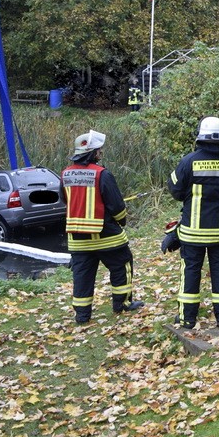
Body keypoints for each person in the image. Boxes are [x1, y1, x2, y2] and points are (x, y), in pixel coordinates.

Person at [168, 117, 219, 328]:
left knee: (191, 272)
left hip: (192, 234)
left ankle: (187, 318)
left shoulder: (188, 162)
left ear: (201, 137)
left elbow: (175, 190)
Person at [61, 130, 144, 325]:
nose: (101, 153)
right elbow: (116, 206)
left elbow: (65, 199)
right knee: (122, 265)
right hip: (107, 236)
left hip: (77, 239)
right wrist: (121, 221)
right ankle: (121, 304)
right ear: (94, 153)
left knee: (82, 276)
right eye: (99, 150)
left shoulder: (65, 174)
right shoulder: (102, 174)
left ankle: (82, 316)